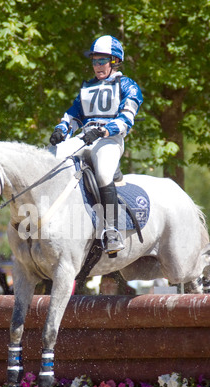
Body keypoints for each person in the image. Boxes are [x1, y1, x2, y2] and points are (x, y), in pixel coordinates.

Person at [49, 35, 143, 254]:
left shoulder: (127, 85)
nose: (97, 65)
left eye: (102, 61)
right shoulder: (87, 87)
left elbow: (126, 119)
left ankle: (112, 231)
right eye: (94, 61)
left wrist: (102, 130)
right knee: (51, 158)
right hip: (84, 138)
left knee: (102, 174)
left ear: (114, 61)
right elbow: (74, 114)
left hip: (110, 140)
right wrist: (61, 129)